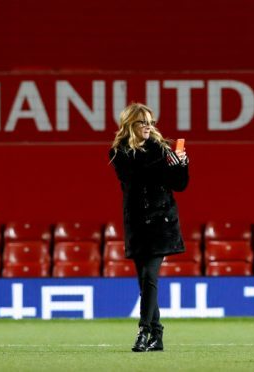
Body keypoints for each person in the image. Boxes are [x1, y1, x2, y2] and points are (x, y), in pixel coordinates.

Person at [109, 102, 189, 352]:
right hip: (136, 222)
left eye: (151, 122)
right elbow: (133, 177)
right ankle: (158, 334)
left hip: (161, 221)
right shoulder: (119, 152)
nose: (149, 127)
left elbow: (179, 184)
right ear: (130, 125)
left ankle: (144, 331)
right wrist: (166, 163)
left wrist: (181, 164)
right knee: (144, 280)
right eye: (143, 122)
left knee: (149, 276)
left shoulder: (161, 148)